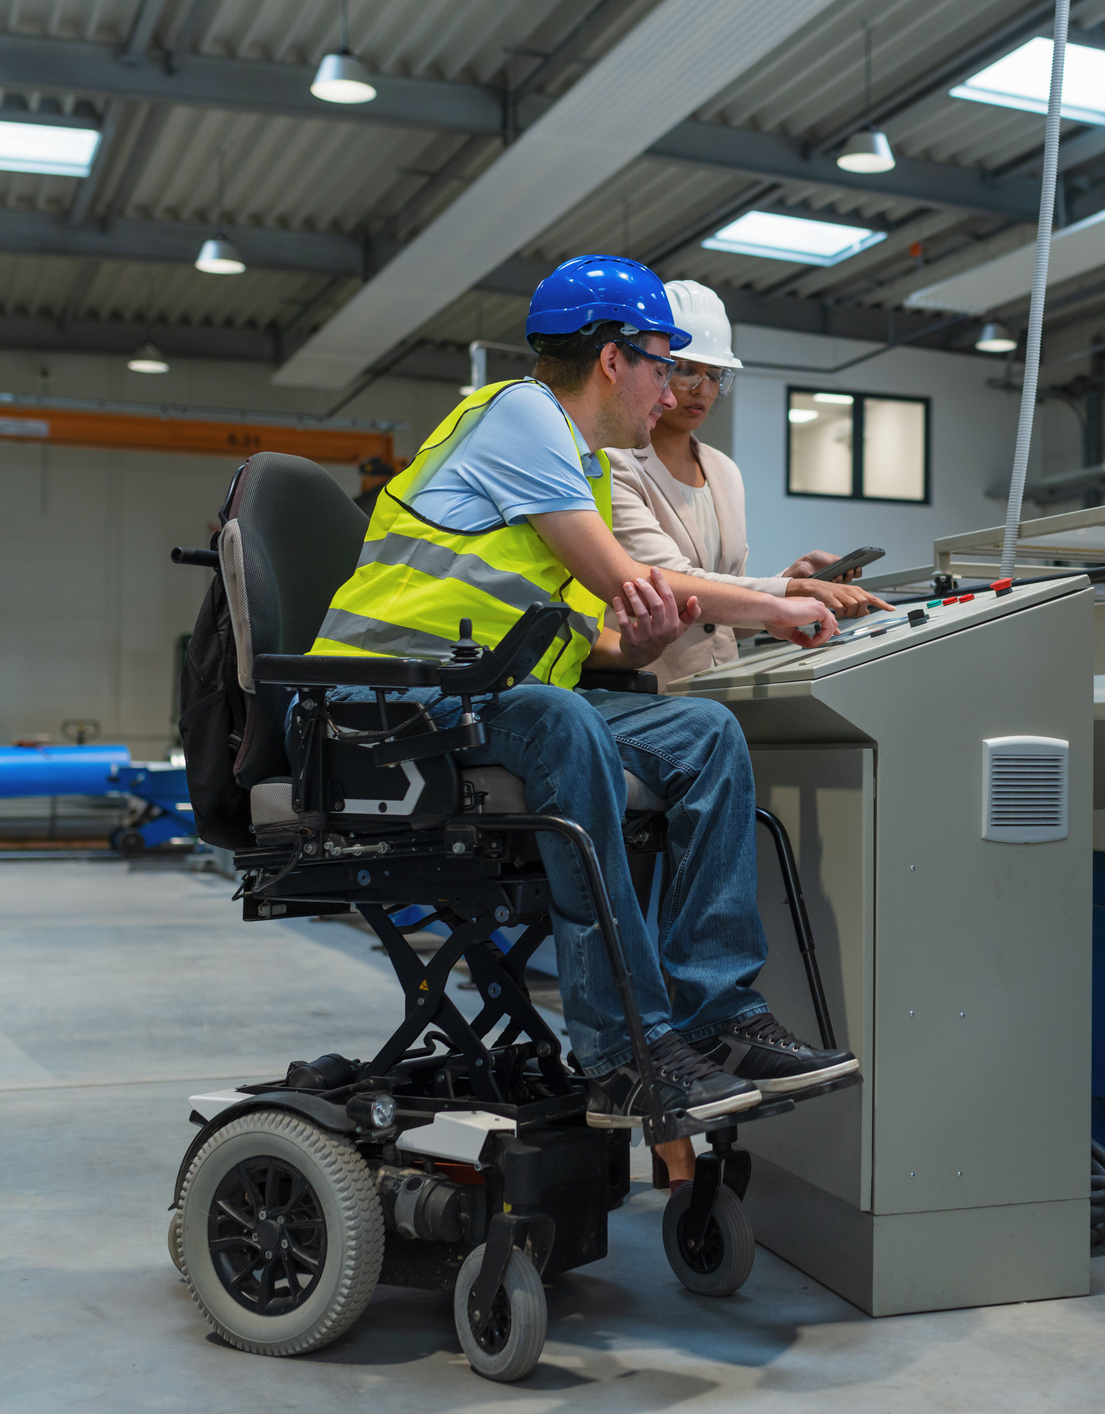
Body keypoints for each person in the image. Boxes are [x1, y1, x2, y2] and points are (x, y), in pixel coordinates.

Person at [309, 254, 861, 1130]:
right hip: (386, 709)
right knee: (562, 720)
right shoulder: (519, 416)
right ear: (615, 359)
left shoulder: (584, 468)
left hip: (486, 702)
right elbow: (624, 572)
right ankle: (623, 1052)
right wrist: (773, 605)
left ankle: (717, 1015)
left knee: (704, 732)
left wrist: (633, 638)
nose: (670, 387)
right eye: (664, 363)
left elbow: (600, 622)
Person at [606, 280, 890, 683]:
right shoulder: (615, 463)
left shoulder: (724, 471)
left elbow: (721, 619)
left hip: (722, 688)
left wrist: (787, 582)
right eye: (685, 370)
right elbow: (671, 584)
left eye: (714, 375)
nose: (701, 390)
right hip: (645, 693)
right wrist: (784, 594)